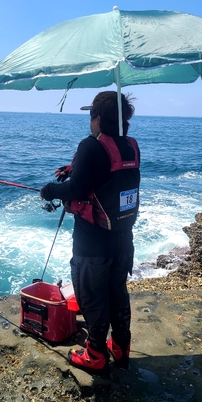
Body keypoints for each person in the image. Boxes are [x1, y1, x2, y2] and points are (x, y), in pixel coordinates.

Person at [40, 91, 140, 375]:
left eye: (91, 116)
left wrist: (50, 189)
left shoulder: (89, 145)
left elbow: (75, 190)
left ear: (97, 118)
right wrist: (74, 168)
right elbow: (107, 172)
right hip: (123, 238)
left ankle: (95, 354)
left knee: (93, 295)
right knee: (117, 292)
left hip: (93, 242)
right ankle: (120, 348)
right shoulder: (131, 146)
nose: (90, 121)